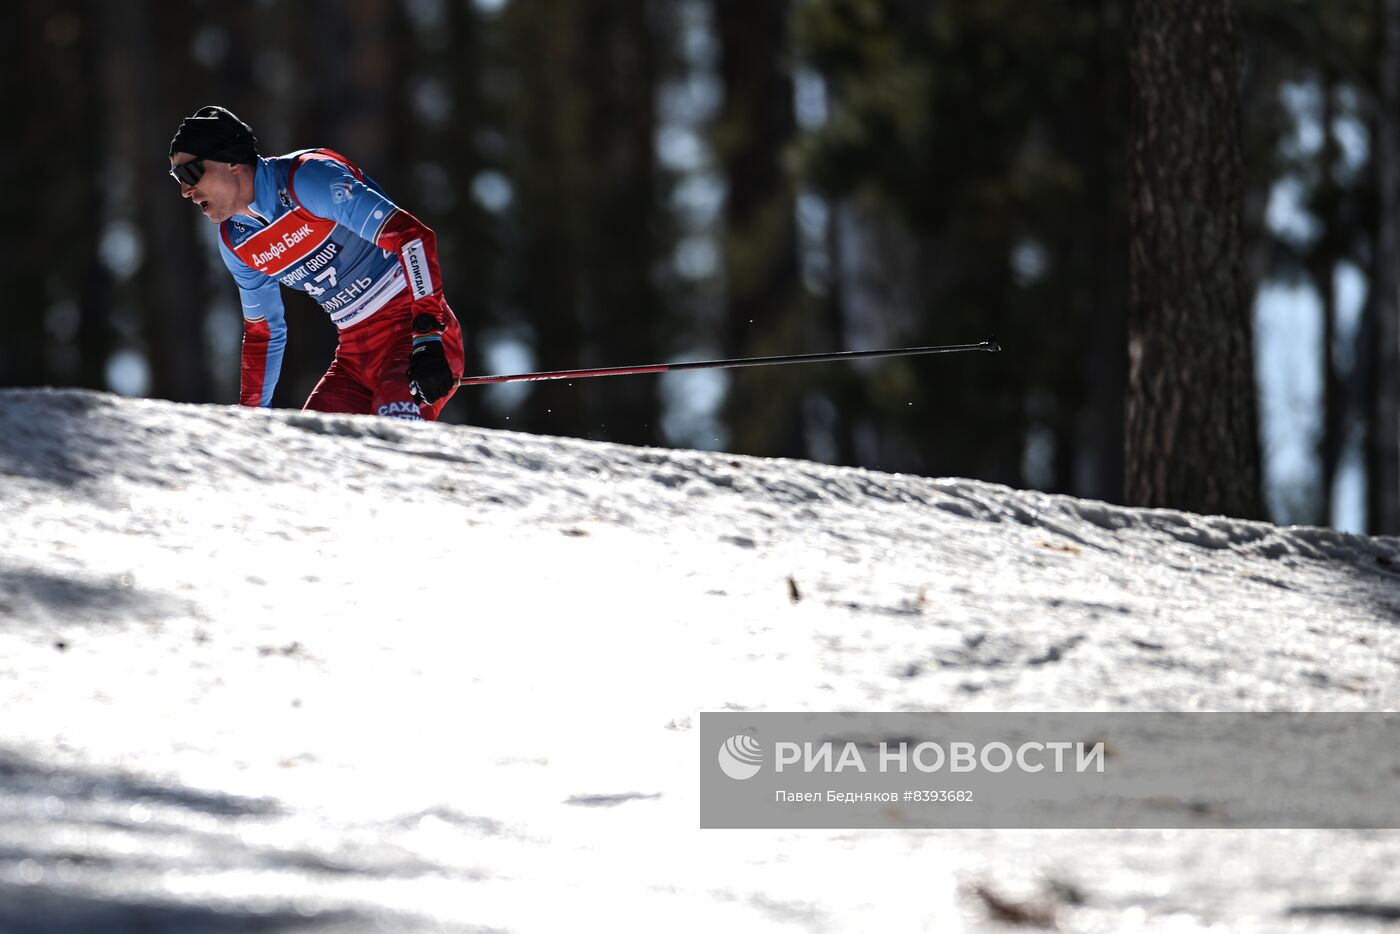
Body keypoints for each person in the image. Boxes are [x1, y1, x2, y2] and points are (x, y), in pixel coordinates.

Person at [168, 105, 463, 421]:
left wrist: (428, 337)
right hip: (353, 359)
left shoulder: (308, 179)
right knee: (310, 452)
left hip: (415, 339)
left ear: (231, 161)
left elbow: (412, 237)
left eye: (190, 173)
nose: (185, 190)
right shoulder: (235, 241)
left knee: (392, 440)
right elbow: (264, 332)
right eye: (177, 177)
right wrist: (250, 421)